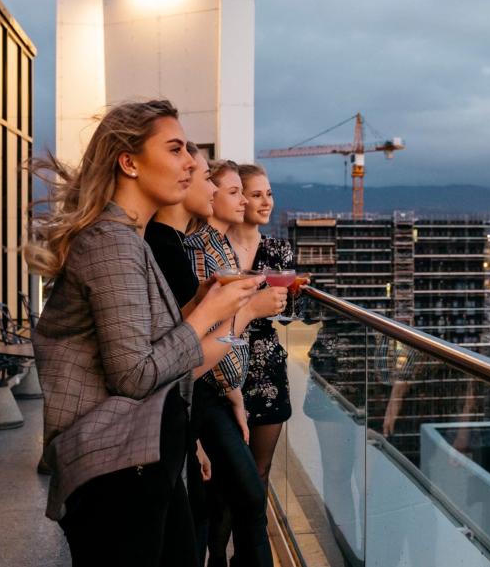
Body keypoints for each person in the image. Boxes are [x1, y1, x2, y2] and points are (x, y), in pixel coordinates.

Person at [27, 100, 266, 567]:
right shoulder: (112, 243)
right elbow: (135, 375)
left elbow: (153, 347)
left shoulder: (126, 238)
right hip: (116, 470)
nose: (193, 164)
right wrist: (213, 315)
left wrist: (200, 302)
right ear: (129, 162)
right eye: (176, 149)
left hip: (139, 460)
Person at [184, 160, 279, 567]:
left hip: (220, 391)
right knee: (244, 495)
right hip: (204, 391)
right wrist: (251, 312)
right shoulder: (199, 250)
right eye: (234, 190)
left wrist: (234, 393)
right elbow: (210, 334)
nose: (244, 201)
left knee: (235, 497)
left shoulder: (216, 246)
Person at [226, 164, 294, 485]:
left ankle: (254, 536)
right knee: (227, 481)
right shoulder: (216, 249)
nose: (266, 202)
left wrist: (294, 295)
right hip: (222, 367)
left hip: (268, 370)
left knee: (260, 473)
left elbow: (288, 312)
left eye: (269, 194)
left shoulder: (279, 250)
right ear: (239, 198)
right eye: (257, 194)